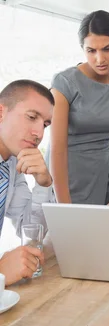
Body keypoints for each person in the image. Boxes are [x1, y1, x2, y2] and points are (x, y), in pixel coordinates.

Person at [49, 10, 109, 205]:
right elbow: (57, 150)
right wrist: (65, 206)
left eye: (107, 48)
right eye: (91, 51)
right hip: (65, 180)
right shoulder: (65, 82)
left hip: (105, 177)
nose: (100, 59)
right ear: (83, 48)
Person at [0, 80, 54, 285]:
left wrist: (43, 184)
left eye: (45, 125)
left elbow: (31, 231)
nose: (39, 134)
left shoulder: (12, 164)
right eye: (31, 117)